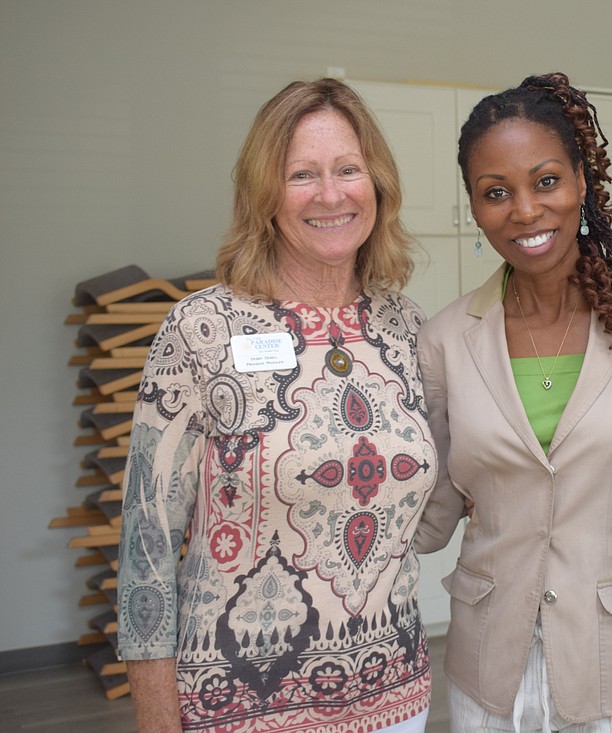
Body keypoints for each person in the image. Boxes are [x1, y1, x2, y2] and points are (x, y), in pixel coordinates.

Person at [116, 79, 437, 733]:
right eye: (301, 175)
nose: (330, 193)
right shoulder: (202, 329)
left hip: (398, 699)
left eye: (348, 169)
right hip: (245, 704)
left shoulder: (407, 326)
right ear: (264, 194)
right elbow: (146, 545)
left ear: (376, 184)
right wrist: (155, 718)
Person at [413, 72, 612, 732]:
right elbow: (429, 516)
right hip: (489, 661)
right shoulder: (445, 341)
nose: (524, 210)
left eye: (545, 181)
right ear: (473, 205)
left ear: (580, 181)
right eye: (495, 193)